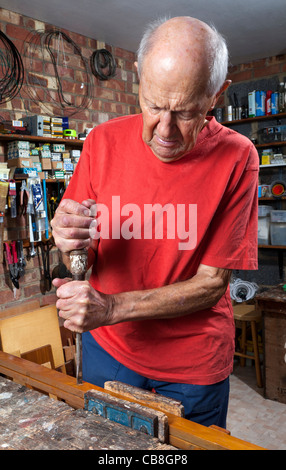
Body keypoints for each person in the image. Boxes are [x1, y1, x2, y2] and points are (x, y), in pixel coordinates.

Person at [51, 16, 258, 428]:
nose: (164, 130)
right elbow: (81, 255)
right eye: (154, 105)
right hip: (107, 349)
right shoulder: (101, 142)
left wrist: (110, 307)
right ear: (139, 80)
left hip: (191, 364)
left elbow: (212, 282)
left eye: (185, 112)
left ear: (216, 95)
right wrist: (68, 239)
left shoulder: (239, 158)